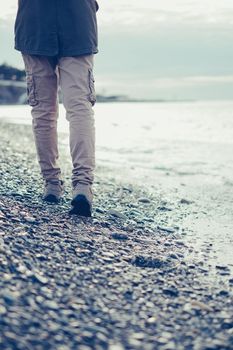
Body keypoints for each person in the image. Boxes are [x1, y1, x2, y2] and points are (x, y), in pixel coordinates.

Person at [14, 0, 99, 217]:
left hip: (35, 23)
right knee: (79, 108)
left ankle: (52, 184)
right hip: (77, 22)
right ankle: (82, 185)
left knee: (43, 112)